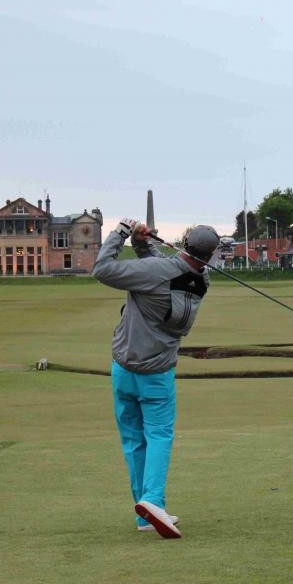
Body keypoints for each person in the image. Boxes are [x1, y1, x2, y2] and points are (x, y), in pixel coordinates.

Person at [92, 219, 220, 539]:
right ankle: (151, 506)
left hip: (125, 369)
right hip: (159, 373)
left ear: (184, 242)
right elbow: (163, 267)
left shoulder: (154, 272)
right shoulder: (203, 280)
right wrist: (141, 243)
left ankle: (147, 506)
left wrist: (121, 232)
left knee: (136, 441)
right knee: (159, 436)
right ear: (211, 254)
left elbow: (103, 269)